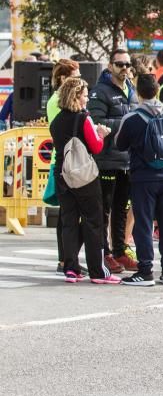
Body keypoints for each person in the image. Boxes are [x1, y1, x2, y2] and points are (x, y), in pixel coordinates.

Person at [114, 74, 163, 286]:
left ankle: (145, 271)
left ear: (138, 92)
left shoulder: (133, 117)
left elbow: (120, 145)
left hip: (142, 178)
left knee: (143, 225)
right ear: (158, 90)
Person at [50, 77, 118, 284]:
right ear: (76, 97)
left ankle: (70, 268)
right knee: (93, 221)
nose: (87, 100)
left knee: (69, 220)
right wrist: (102, 134)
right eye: (85, 96)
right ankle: (98, 271)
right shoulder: (84, 118)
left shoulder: (56, 121)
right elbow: (96, 147)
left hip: (62, 173)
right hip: (84, 176)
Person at [88, 48, 139, 274]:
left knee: (121, 208)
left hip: (127, 159)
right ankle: (104, 252)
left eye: (128, 64)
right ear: (110, 66)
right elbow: (96, 121)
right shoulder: (100, 91)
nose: (125, 69)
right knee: (104, 210)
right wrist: (128, 124)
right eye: (120, 64)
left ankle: (119, 250)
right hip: (107, 160)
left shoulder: (132, 90)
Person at [47, 60, 81, 272]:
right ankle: (64, 259)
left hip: (70, 160)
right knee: (66, 215)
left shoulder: (64, 99)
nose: (78, 81)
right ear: (62, 78)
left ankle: (67, 258)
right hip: (63, 160)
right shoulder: (56, 101)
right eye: (74, 76)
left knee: (67, 214)